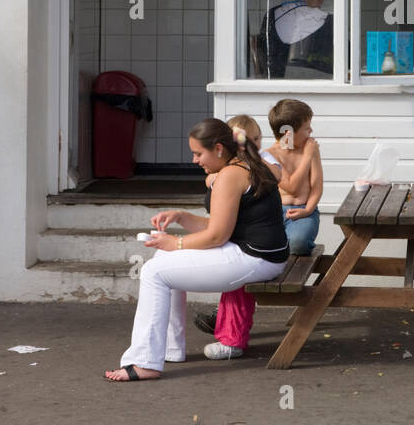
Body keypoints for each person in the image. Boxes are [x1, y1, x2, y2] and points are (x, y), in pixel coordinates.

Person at [103, 118, 288, 382]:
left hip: (255, 260)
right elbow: (222, 225)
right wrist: (181, 217)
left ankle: (144, 362)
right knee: (163, 257)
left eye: (198, 153)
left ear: (219, 149)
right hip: (259, 255)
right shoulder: (241, 165)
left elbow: (217, 235)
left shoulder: (231, 174)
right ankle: (169, 349)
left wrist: (176, 243)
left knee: (153, 271)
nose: (194, 160)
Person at [192, 114, 292, 360]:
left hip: (256, 248)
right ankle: (228, 329)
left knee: (236, 279)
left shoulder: (256, 162)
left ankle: (231, 338)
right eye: (249, 140)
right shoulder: (229, 168)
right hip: (249, 241)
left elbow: (277, 175)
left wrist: (245, 154)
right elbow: (210, 181)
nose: (255, 144)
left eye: (257, 138)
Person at [265, 98, 323, 256]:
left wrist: (309, 210)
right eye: (307, 128)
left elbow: (317, 186)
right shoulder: (269, 156)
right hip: (275, 212)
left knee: (298, 243)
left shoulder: (310, 149)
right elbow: (291, 186)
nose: (311, 131)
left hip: (304, 209)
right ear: (288, 133)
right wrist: (307, 157)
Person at [260, 0, 334, 78]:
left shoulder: (271, 14)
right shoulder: (329, 23)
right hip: (317, 88)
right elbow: (347, 59)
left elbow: (263, 53)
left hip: (273, 87)